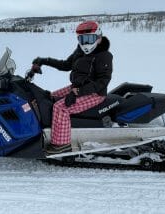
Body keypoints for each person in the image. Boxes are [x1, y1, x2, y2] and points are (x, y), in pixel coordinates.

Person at [32, 21, 113, 154]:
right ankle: (48, 129)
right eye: (82, 39)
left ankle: (61, 145)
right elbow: (65, 65)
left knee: (61, 108)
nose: (85, 43)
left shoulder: (104, 56)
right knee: (50, 97)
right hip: (77, 87)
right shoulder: (80, 50)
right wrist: (44, 61)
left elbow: (102, 82)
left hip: (95, 94)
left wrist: (79, 92)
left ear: (98, 38)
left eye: (89, 38)